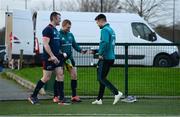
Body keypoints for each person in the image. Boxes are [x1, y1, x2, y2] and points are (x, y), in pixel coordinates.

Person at [28, 12, 67, 104]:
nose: (60, 20)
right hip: (49, 59)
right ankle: (33, 96)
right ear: (54, 18)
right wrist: (52, 56)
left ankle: (61, 98)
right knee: (46, 78)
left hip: (57, 58)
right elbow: (45, 44)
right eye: (59, 18)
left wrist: (61, 53)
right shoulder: (47, 29)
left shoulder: (56, 30)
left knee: (60, 75)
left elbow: (56, 45)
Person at [90, 14, 123, 105]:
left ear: (101, 21)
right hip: (111, 57)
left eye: (97, 22)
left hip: (105, 58)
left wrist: (100, 53)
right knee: (102, 78)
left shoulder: (104, 30)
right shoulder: (111, 30)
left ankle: (116, 93)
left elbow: (104, 42)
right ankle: (99, 99)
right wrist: (97, 51)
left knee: (101, 78)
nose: (97, 25)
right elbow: (107, 44)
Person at [53, 19, 87, 103]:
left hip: (69, 59)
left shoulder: (70, 35)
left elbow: (75, 45)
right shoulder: (58, 34)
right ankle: (56, 96)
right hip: (60, 59)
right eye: (68, 27)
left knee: (74, 75)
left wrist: (81, 50)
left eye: (70, 27)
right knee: (59, 77)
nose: (69, 29)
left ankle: (74, 96)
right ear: (63, 26)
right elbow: (56, 47)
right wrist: (61, 53)